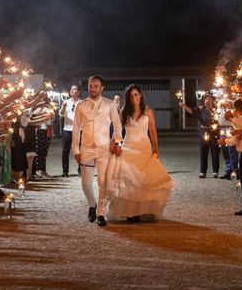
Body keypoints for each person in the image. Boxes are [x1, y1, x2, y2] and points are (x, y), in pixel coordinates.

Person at [107, 85, 174, 221]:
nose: (134, 98)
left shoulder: (147, 111)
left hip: (144, 147)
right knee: (129, 181)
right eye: (131, 96)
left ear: (140, 95)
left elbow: (153, 131)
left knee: (143, 181)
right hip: (128, 147)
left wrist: (156, 149)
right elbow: (117, 131)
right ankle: (130, 213)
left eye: (136, 95)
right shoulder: (124, 111)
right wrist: (114, 143)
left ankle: (142, 211)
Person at [72, 75, 123, 227]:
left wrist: (117, 141)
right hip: (86, 148)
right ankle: (92, 204)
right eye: (90, 86)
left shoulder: (109, 104)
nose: (92, 89)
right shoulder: (81, 105)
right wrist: (75, 149)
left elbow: (117, 124)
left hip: (104, 148)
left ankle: (101, 213)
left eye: (96, 86)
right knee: (85, 183)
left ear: (102, 88)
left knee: (104, 183)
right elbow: (75, 128)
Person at [180, 95, 220, 178]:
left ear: (213, 101)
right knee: (203, 152)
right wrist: (184, 106)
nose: (207, 100)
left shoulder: (217, 109)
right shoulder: (201, 109)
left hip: (214, 132)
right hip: (203, 132)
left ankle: (215, 171)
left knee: (215, 152)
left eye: (209, 99)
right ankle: (203, 171)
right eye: (206, 99)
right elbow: (191, 111)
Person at [59, 85, 81, 177]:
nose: (72, 91)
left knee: (80, 150)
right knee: (65, 151)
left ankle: (81, 170)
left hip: (79, 129)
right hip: (67, 129)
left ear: (79, 92)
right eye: (71, 89)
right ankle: (65, 171)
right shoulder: (66, 102)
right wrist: (64, 107)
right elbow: (61, 114)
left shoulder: (82, 103)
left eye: (75, 89)